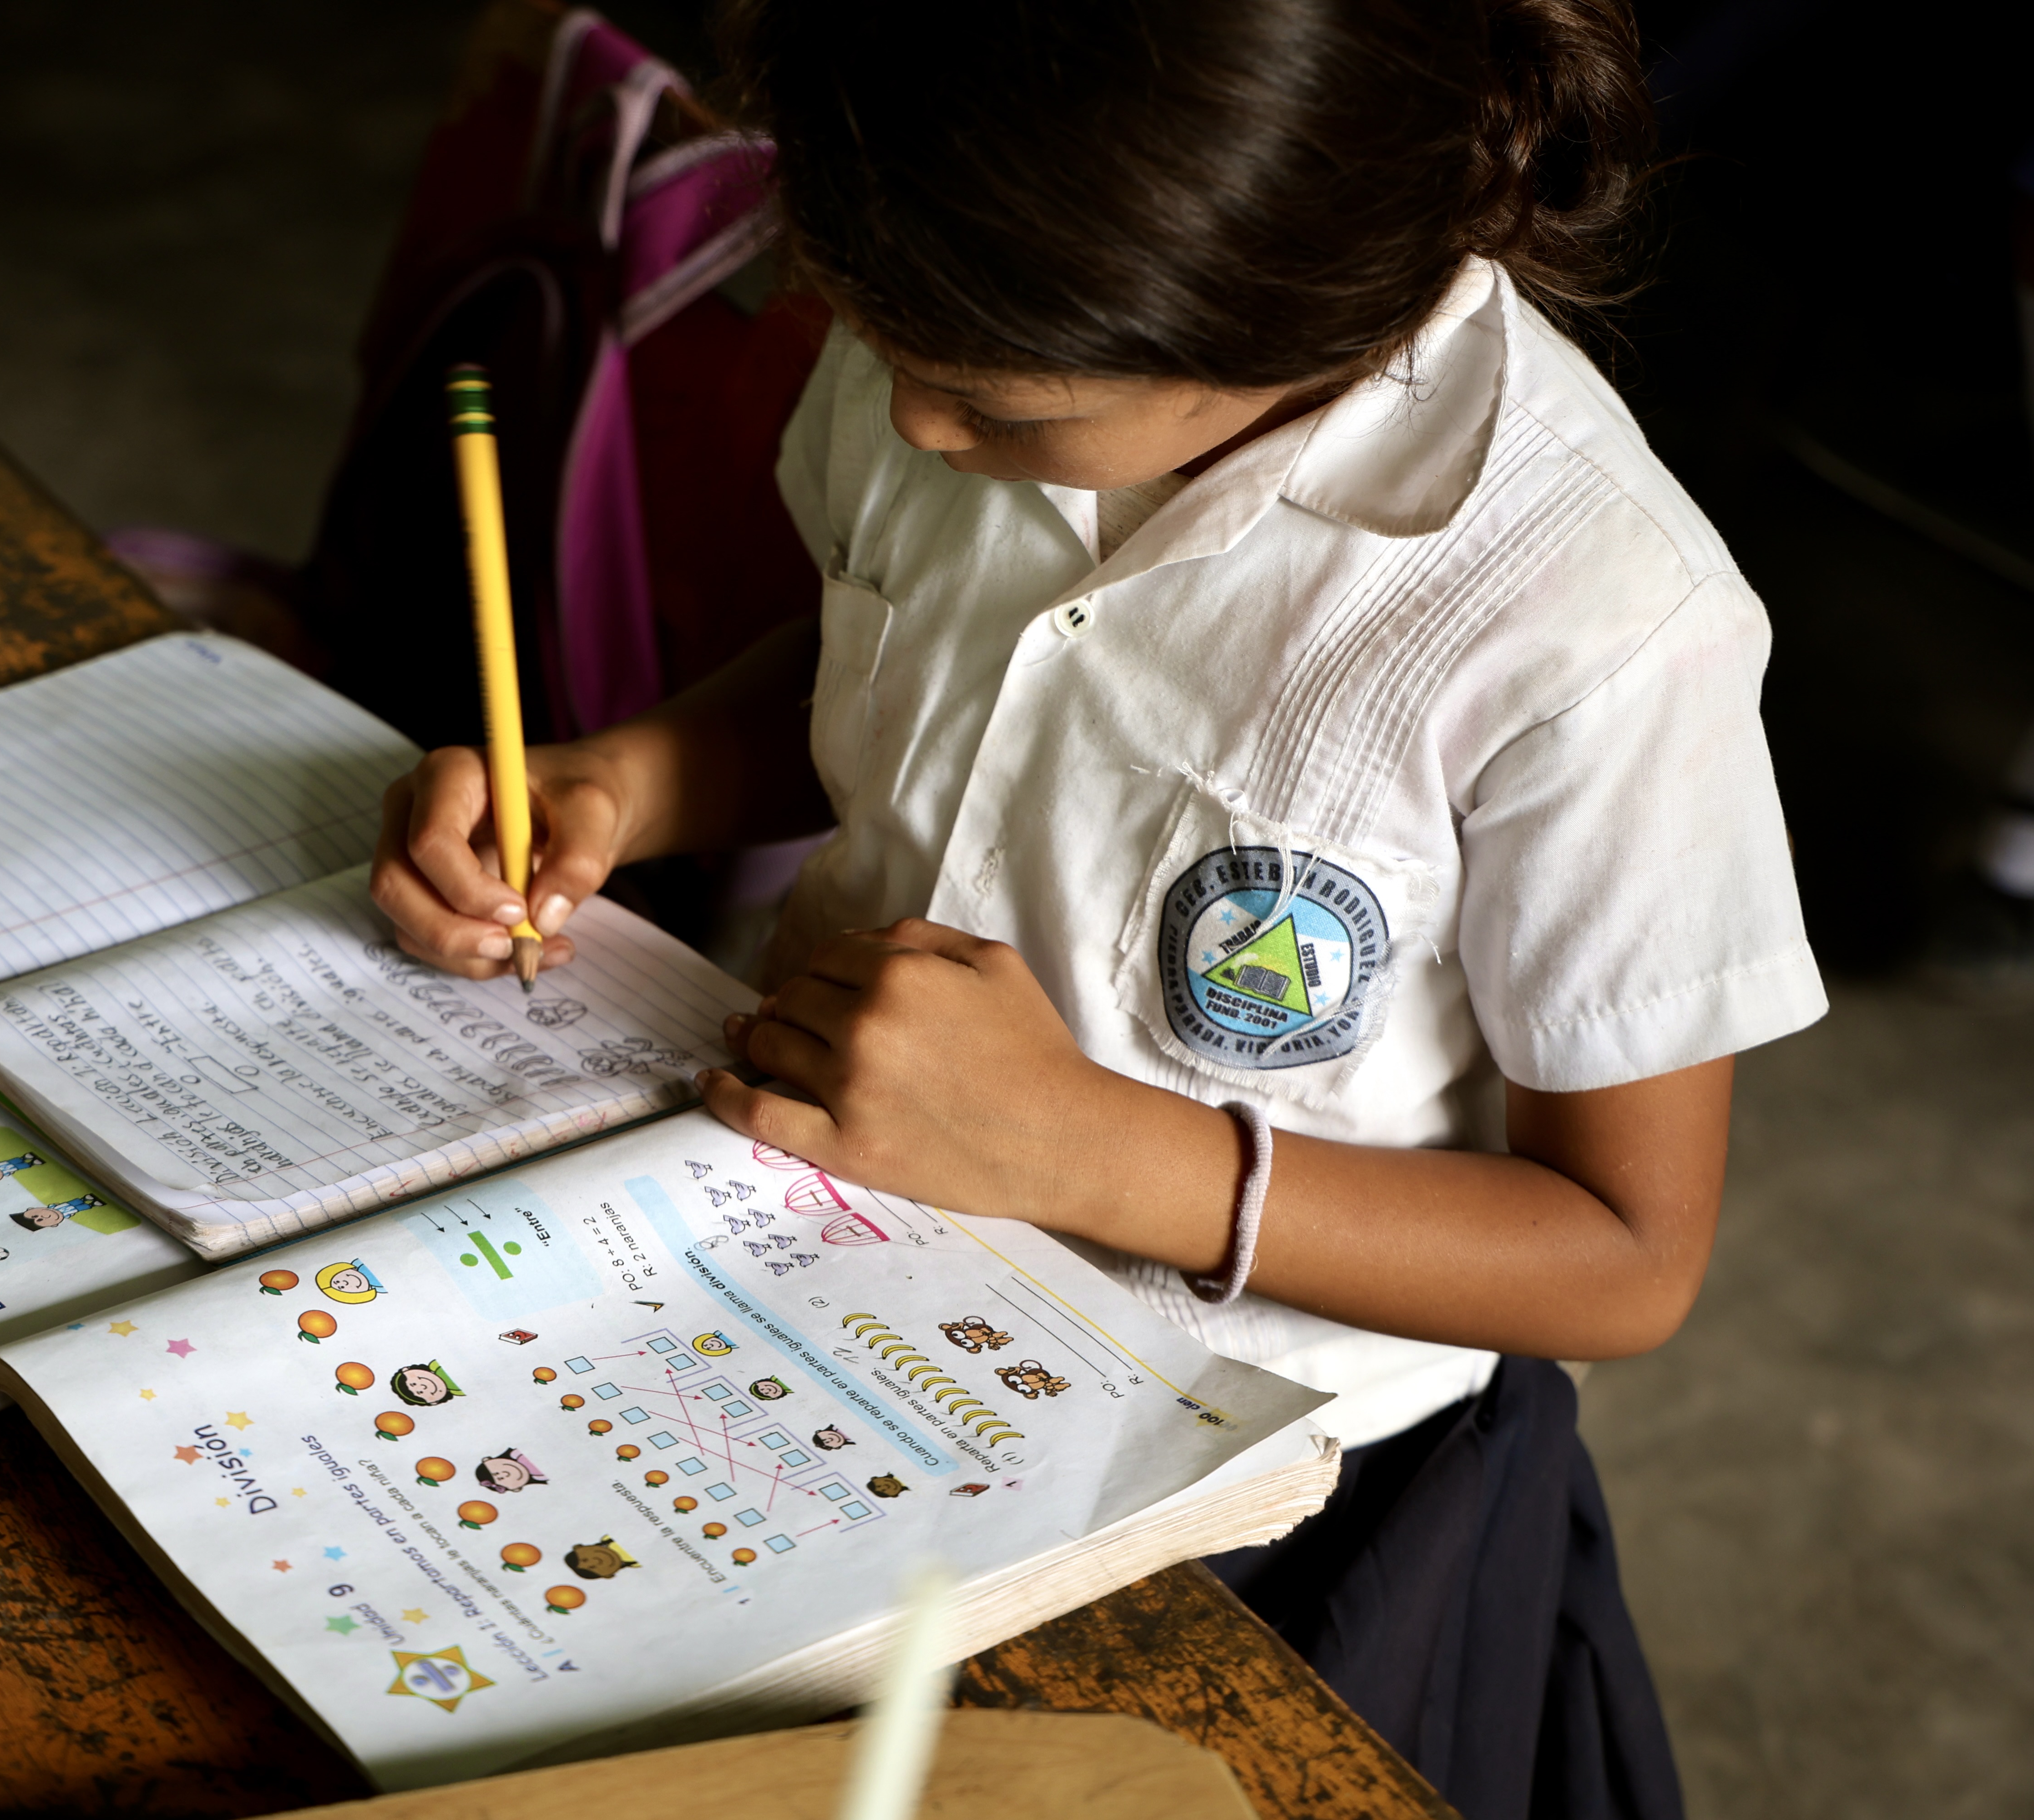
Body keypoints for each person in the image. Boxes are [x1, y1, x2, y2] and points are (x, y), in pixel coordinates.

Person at [370, 3, 1823, 1814]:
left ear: (1282, 312)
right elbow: (881, 653)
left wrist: (1087, 1151)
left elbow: (1624, 1252)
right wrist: (625, 784)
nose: (914, 423)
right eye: (885, 351)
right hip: (800, 1302)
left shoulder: (1596, 626)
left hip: (1252, 1505)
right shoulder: (962, 306)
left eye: (997, 411)